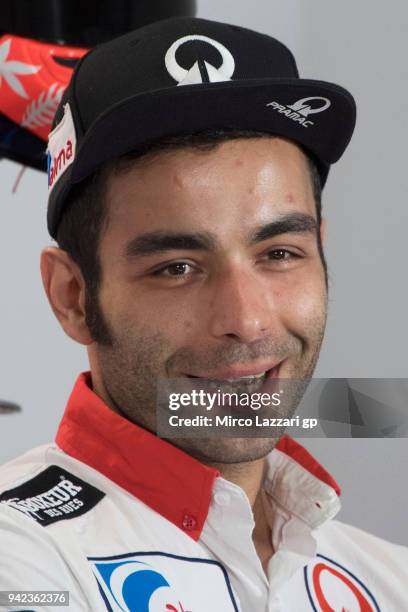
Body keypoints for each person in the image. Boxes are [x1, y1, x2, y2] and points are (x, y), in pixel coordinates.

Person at [0, 16, 406, 612]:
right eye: (177, 267)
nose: (247, 319)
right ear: (72, 297)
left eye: (279, 253)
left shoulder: (389, 577)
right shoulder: (21, 562)